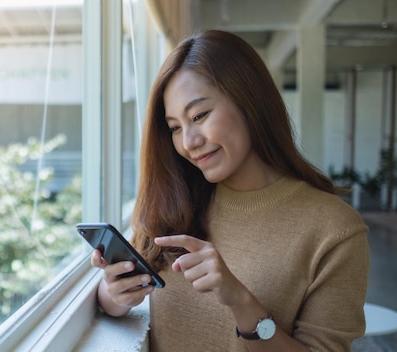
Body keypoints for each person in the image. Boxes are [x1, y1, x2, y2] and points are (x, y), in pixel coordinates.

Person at [91, 29, 369, 351]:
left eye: (200, 115)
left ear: (249, 101)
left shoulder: (335, 230)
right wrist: (114, 294)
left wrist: (241, 301)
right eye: (175, 128)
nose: (189, 142)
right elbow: (113, 300)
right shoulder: (175, 201)